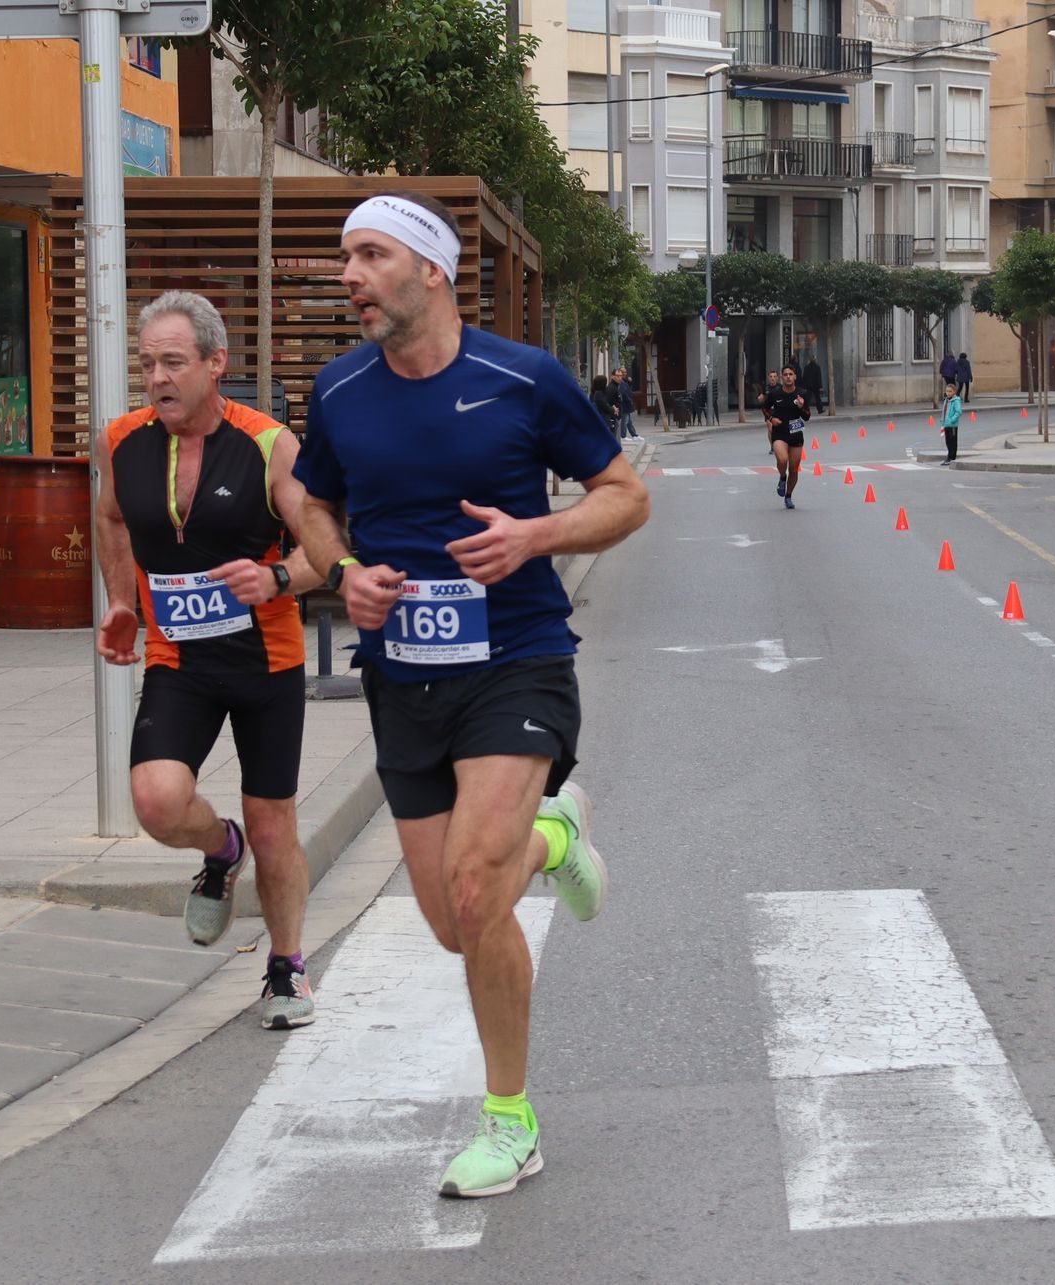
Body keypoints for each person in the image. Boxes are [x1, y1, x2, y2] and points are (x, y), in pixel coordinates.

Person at [295, 191, 649, 1199]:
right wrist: (341, 572)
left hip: (515, 660)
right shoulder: (339, 389)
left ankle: (509, 1120)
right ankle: (556, 837)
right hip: (403, 676)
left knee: (472, 886)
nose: (351, 277)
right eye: (346, 258)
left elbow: (626, 495)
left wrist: (534, 535)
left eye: (370, 255)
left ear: (431, 270)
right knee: (458, 922)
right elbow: (311, 503)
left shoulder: (522, 378)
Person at [93, 290, 325, 1032]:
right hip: (178, 658)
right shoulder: (121, 440)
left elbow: (328, 544)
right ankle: (220, 850)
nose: (157, 378)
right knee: (157, 801)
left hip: (266, 661)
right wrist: (122, 600)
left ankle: (286, 966)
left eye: (173, 362)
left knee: (274, 823)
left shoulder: (268, 445)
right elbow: (110, 516)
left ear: (215, 363)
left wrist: (278, 577)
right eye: (147, 364)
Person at [765, 363, 811, 509]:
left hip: (796, 432)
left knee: (794, 469)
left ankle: (788, 496)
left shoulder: (802, 393)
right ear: (781, 377)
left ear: (795, 376)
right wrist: (771, 419)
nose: (788, 377)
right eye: (785, 375)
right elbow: (765, 408)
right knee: (782, 459)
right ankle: (782, 477)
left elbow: (807, 416)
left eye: (791, 374)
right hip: (780, 432)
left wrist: (801, 407)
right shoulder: (775, 394)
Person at [613, 367, 641, 442]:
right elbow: (624, 394)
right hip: (624, 405)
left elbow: (629, 389)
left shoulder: (625, 381)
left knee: (629, 421)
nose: (624, 374)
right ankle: (623, 435)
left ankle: (634, 435)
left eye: (625, 372)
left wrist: (630, 382)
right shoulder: (621, 382)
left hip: (627, 405)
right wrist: (629, 401)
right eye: (622, 372)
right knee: (625, 421)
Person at [760, 369, 782, 455]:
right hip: (768, 411)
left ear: (777, 378)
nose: (772, 378)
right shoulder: (765, 388)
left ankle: (779, 445)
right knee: (770, 429)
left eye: (774, 376)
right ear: (768, 378)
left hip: (778, 410)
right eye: (771, 376)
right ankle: (773, 447)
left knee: (779, 429)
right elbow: (762, 396)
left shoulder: (780, 387)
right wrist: (760, 398)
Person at [941, 379, 963, 465]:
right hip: (946, 424)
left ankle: (951, 458)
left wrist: (952, 420)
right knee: (948, 442)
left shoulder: (956, 400)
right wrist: (942, 421)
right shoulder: (946, 400)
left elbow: (958, 412)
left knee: (952, 442)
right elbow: (944, 411)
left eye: (950, 391)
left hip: (952, 425)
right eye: (947, 391)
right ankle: (949, 457)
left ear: (954, 392)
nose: (948, 393)